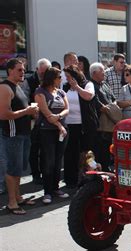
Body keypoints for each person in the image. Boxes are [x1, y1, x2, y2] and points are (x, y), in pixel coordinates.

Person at [0, 58, 39, 215]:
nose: (23, 72)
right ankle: (12, 202)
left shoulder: (18, 87)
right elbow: (3, 114)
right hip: (12, 135)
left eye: (23, 70)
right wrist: (27, 111)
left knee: (19, 169)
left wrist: (30, 112)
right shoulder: (5, 88)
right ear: (10, 70)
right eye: (19, 70)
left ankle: (18, 196)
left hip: (23, 134)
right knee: (13, 169)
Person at [34, 67, 70, 204]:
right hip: (47, 131)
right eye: (59, 77)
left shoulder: (60, 92)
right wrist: (60, 125)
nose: (61, 79)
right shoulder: (40, 92)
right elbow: (47, 114)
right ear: (52, 78)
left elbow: (67, 109)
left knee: (57, 160)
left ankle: (56, 188)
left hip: (62, 131)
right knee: (48, 161)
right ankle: (47, 191)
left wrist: (60, 116)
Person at [63, 65, 96, 188]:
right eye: (65, 77)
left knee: (86, 153)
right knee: (70, 153)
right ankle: (70, 180)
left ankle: (86, 178)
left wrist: (76, 87)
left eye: (68, 76)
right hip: (69, 124)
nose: (66, 79)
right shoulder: (65, 87)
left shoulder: (87, 84)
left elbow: (88, 96)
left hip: (84, 124)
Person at [22, 58, 51, 185]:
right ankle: (35, 174)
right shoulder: (29, 80)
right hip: (34, 119)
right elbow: (24, 98)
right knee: (34, 147)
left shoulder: (51, 80)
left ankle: (45, 172)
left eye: (46, 72)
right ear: (37, 69)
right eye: (41, 72)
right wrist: (33, 111)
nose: (43, 75)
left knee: (46, 148)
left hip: (48, 118)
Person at [90, 62, 122, 172]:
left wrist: (112, 108)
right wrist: (107, 108)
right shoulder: (91, 86)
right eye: (102, 71)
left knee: (108, 147)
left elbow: (113, 98)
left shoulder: (105, 84)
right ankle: (101, 170)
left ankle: (106, 167)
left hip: (110, 120)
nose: (104, 72)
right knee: (101, 148)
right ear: (94, 73)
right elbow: (98, 104)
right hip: (101, 123)